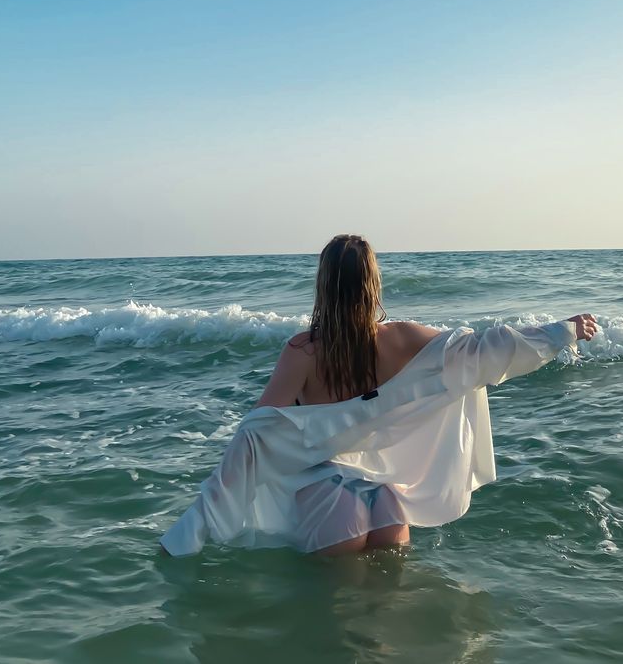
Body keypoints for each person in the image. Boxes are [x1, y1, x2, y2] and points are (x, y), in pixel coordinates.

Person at [160, 235, 597, 558]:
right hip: (388, 498)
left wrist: (197, 522)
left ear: (323, 285)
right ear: (373, 282)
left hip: (327, 497)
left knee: (338, 632)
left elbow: (256, 436)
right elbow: (485, 348)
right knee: (389, 620)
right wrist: (563, 331)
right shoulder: (405, 338)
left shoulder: (304, 352)